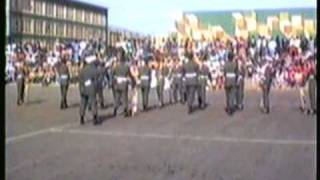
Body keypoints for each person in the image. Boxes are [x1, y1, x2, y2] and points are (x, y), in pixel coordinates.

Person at [78, 53, 99, 125]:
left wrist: (81, 89)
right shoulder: (94, 70)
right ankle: (95, 117)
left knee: (83, 103)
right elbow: (96, 80)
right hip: (91, 88)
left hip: (83, 88)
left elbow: (80, 81)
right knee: (93, 102)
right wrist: (96, 88)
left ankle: (81, 117)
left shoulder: (82, 70)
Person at [112, 48, 131, 117]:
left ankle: (115, 110)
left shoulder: (116, 66)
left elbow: (113, 73)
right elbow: (129, 74)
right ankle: (125, 111)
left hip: (117, 83)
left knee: (117, 97)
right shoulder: (126, 66)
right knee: (124, 98)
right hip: (124, 83)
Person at [223, 51, 238, 115]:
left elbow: (224, 72)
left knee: (227, 95)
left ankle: (228, 106)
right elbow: (237, 73)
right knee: (232, 94)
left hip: (227, 79)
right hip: (233, 79)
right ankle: (231, 107)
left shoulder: (225, 64)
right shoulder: (235, 64)